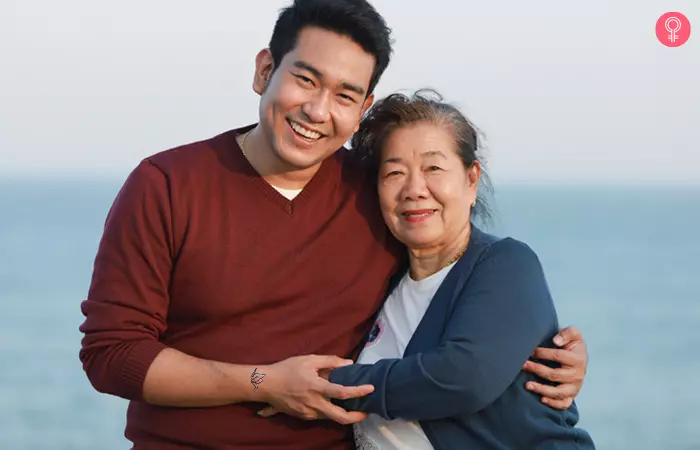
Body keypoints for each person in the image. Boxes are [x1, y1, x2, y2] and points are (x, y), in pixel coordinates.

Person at [78, 1, 589, 449]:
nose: (318, 110)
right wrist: (262, 382)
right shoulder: (165, 185)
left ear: (362, 108)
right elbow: (113, 355)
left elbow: (461, 269)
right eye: (305, 79)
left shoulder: (373, 190)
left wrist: (542, 350)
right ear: (264, 71)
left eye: (345, 95)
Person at [259, 90, 595, 449]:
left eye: (433, 168)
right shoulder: (379, 279)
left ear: (471, 179)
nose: (415, 189)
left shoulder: (505, 264)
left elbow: (463, 378)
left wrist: (326, 385)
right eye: (395, 173)